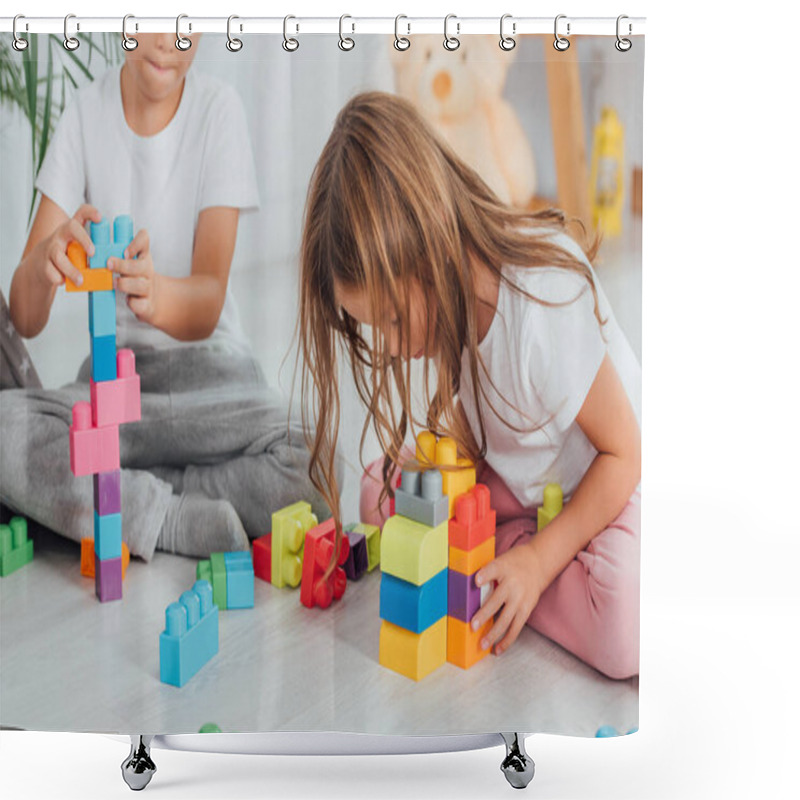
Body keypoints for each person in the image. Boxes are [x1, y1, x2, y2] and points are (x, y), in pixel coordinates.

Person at [297, 92, 641, 680]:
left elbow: (626, 454)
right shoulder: (453, 293)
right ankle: (496, 552)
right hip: (522, 481)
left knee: (623, 627)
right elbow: (492, 420)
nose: (390, 347)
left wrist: (536, 560)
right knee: (378, 493)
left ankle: (501, 563)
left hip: (605, 485)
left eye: (393, 322)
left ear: (431, 248)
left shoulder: (542, 298)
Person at [1, 33, 333, 560]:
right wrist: (44, 263)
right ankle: (172, 518)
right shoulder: (85, 114)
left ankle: (133, 496)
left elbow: (206, 303)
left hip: (214, 379)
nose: (167, 40)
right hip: (116, 387)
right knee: (4, 432)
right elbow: (23, 314)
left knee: (316, 458)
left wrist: (156, 297)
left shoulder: (218, 110)